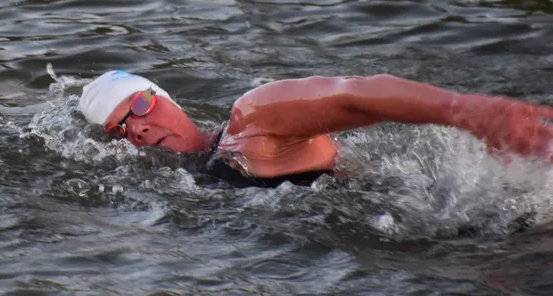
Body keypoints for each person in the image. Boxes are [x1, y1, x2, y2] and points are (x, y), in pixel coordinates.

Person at [78, 70, 553, 187]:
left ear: (166, 98)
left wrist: (474, 113)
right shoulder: (191, 181)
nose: (136, 129)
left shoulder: (251, 123)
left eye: (139, 105)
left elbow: (355, 93)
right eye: (118, 131)